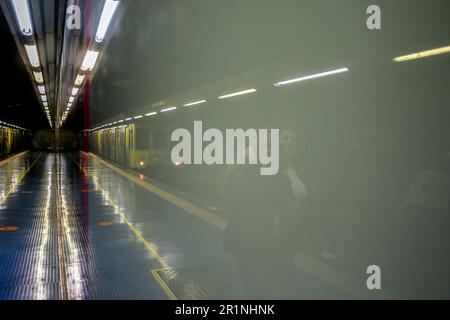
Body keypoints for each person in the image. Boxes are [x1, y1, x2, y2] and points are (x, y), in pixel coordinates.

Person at [222, 128, 309, 299]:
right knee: (259, 290)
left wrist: (284, 216)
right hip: (247, 244)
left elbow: (286, 200)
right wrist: (271, 221)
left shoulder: (276, 173)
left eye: (272, 147)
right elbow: (243, 207)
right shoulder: (247, 173)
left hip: (269, 244)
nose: (269, 151)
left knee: (272, 288)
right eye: (265, 147)